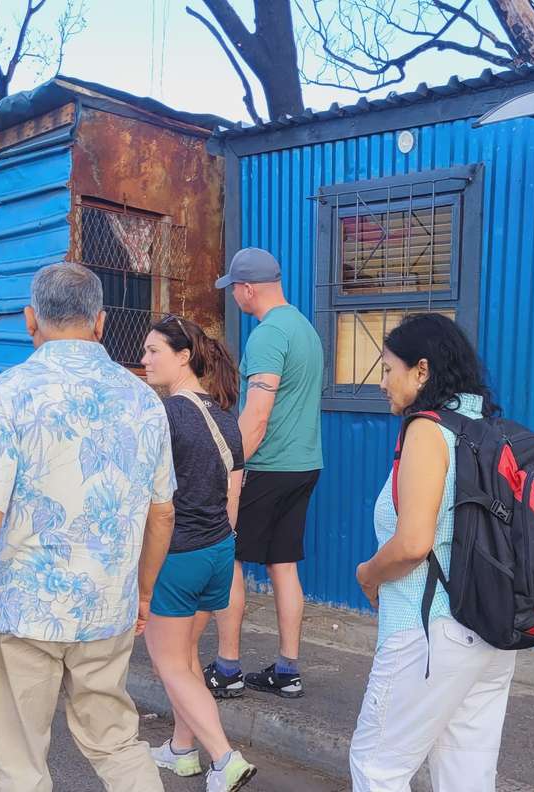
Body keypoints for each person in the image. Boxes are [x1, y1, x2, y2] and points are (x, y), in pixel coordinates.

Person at [0, 262, 174, 792]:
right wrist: (142, 593)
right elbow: (162, 511)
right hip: (106, 605)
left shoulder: (11, 391)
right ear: (100, 321)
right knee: (116, 741)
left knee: (21, 758)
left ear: (32, 320)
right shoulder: (143, 398)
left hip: (25, 611)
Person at [347, 313, 516, 792]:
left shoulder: (427, 429)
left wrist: (368, 574)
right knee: (466, 779)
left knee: (377, 767)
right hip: (487, 632)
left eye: (387, 368)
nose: (382, 382)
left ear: (421, 371)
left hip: (428, 632)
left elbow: (413, 543)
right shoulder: (483, 427)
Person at [139, 315, 258, 791]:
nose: (144, 359)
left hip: (177, 555)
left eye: (153, 351)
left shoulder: (166, 416)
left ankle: (224, 758)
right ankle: (181, 750)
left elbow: (149, 501)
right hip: (217, 553)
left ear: (183, 356)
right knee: (186, 656)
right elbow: (232, 500)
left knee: (170, 664)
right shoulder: (225, 416)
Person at [207, 247, 323, 700]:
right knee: (283, 563)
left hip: (267, 467)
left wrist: (229, 465)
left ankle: (228, 668)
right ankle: (287, 670)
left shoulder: (268, 336)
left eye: (233, 287)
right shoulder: (305, 330)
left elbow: (256, 416)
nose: (232, 294)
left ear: (248, 288)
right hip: (304, 464)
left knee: (230, 559)